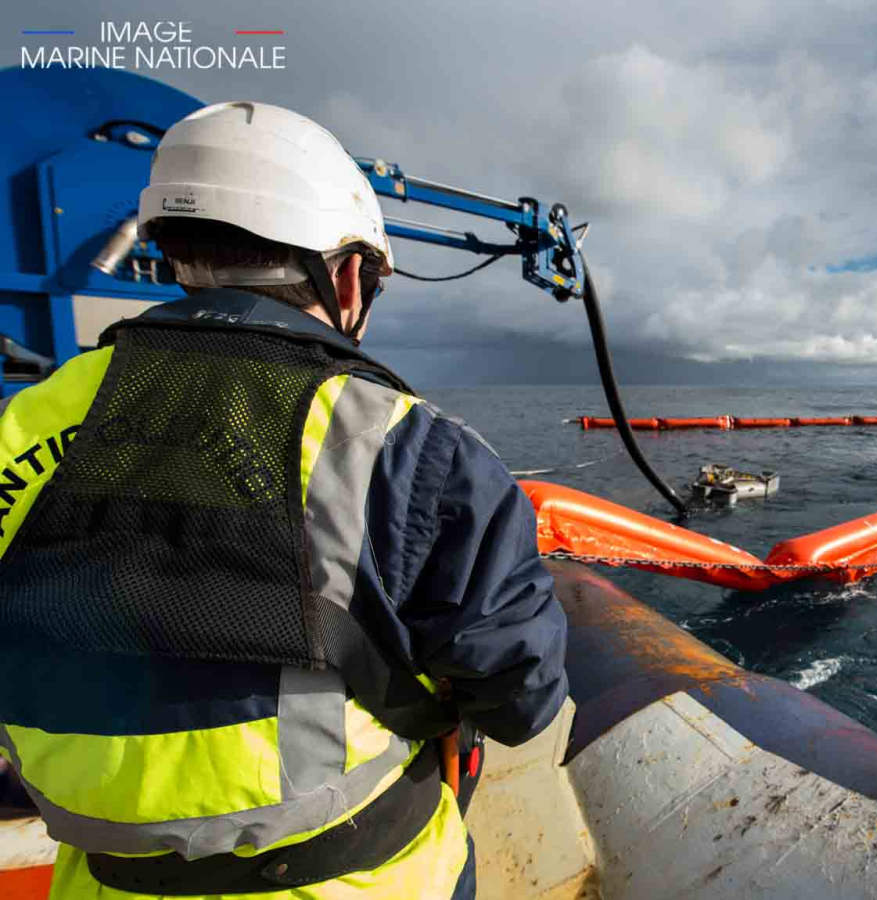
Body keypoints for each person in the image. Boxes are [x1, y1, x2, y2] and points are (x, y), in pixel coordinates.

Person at [0, 100, 568, 898]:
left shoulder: (24, 420)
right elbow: (521, 697)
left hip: (101, 883)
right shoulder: (408, 447)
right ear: (345, 276)